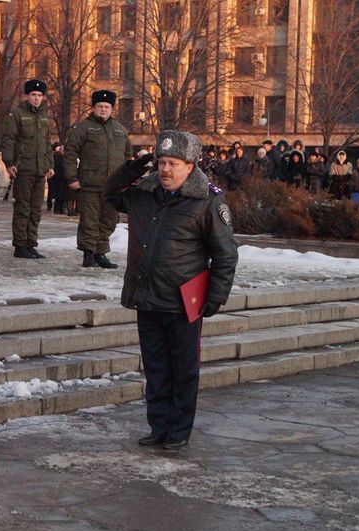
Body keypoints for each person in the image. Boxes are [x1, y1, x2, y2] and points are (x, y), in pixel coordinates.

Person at [106, 130, 238, 451]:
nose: (165, 170)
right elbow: (109, 192)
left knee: (183, 370)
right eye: (161, 162)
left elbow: (225, 254)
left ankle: (179, 429)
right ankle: (158, 425)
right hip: (147, 297)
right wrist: (138, 165)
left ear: (190, 166)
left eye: (173, 163)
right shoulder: (144, 193)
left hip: (184, 301)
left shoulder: (207, 201)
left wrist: (215, 297)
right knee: (155, 367)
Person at [64, 89, 132, 268]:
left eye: (107, 107)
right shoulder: (83, 128)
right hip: (89, 184)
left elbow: (127, 154)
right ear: (93, 108)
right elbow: (70, 152)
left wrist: (125, 179)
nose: (103, 110)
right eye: (100, 106)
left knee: (109, 220)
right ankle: (88, 254)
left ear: (112, 109)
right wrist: (72, 177)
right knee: (90, 220)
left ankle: (101, 253)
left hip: (113, 186)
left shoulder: (119, 129)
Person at [1, 79, 55, 259]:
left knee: (36, 209)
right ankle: (20, 244)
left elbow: (47, 143)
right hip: (23, 168)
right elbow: (9, 140)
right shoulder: (17, 114)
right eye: (33, 95)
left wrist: (50, 164)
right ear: (27, 96)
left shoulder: (45, 117)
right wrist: (9, 163)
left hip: (40, 169)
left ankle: (31, 243)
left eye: (40, 96)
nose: (36, 99)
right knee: (23, 208)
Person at [51, 143, 67, 213]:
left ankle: (60, 209)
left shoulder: (64, 157)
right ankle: (57, 209)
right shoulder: (57, 156)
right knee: (58, 195)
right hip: (58, 177)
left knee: (62, 194)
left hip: (63, 178)